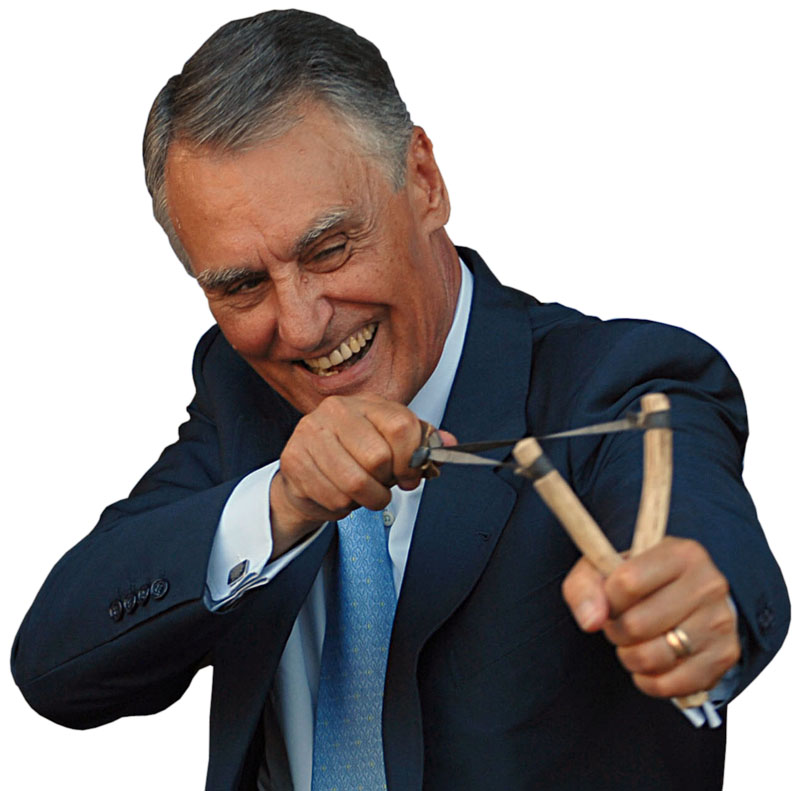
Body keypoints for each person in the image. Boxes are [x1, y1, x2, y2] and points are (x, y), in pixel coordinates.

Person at [10, 9, 789, 791]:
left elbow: (696, 535)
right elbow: (55, 664)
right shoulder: (241, 389)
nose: (301, 325)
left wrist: (693, 609)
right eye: (243, 285)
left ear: (423, 180)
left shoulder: (622, 378)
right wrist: (279, 505)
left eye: (329, 249)